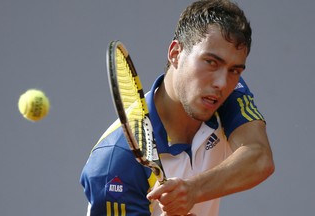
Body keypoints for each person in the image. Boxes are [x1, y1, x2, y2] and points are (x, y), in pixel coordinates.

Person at [80, 0, 275, 215]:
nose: (222, 82)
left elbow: (260, 158)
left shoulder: (226, 93)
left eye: (235, 70)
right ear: (175, 53)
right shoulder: (116, 161)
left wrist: (193, 189)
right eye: (211, 62)